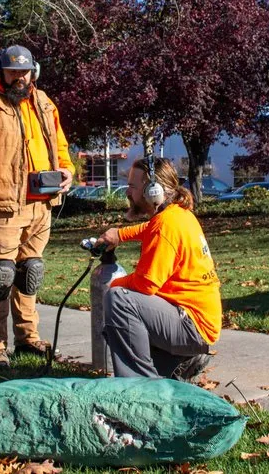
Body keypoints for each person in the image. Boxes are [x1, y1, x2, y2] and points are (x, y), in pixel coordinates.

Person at [0, 45, 74, 365]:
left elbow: (60, 142)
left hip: (41, 205)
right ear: (0, 71)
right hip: (3, 206)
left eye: (24, 71)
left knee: (31, 272)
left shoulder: (43, 102)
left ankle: (28, 339)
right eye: (13, 71)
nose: (19, 78)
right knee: (1, 275)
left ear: (34, 72)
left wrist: (67, 168)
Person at [97, 157, 222, 380]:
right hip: (197, 322)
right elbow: (150, 228)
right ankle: (179, 363)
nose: (128, 193)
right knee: (126, 301)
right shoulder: (178, 214)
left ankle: (141, 387)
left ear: (152, 192)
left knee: (119, 299)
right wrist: (120, 234)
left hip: (191, 326)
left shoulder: (166, 225)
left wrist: (112, 284)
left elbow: (145, 284)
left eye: (132, 187)